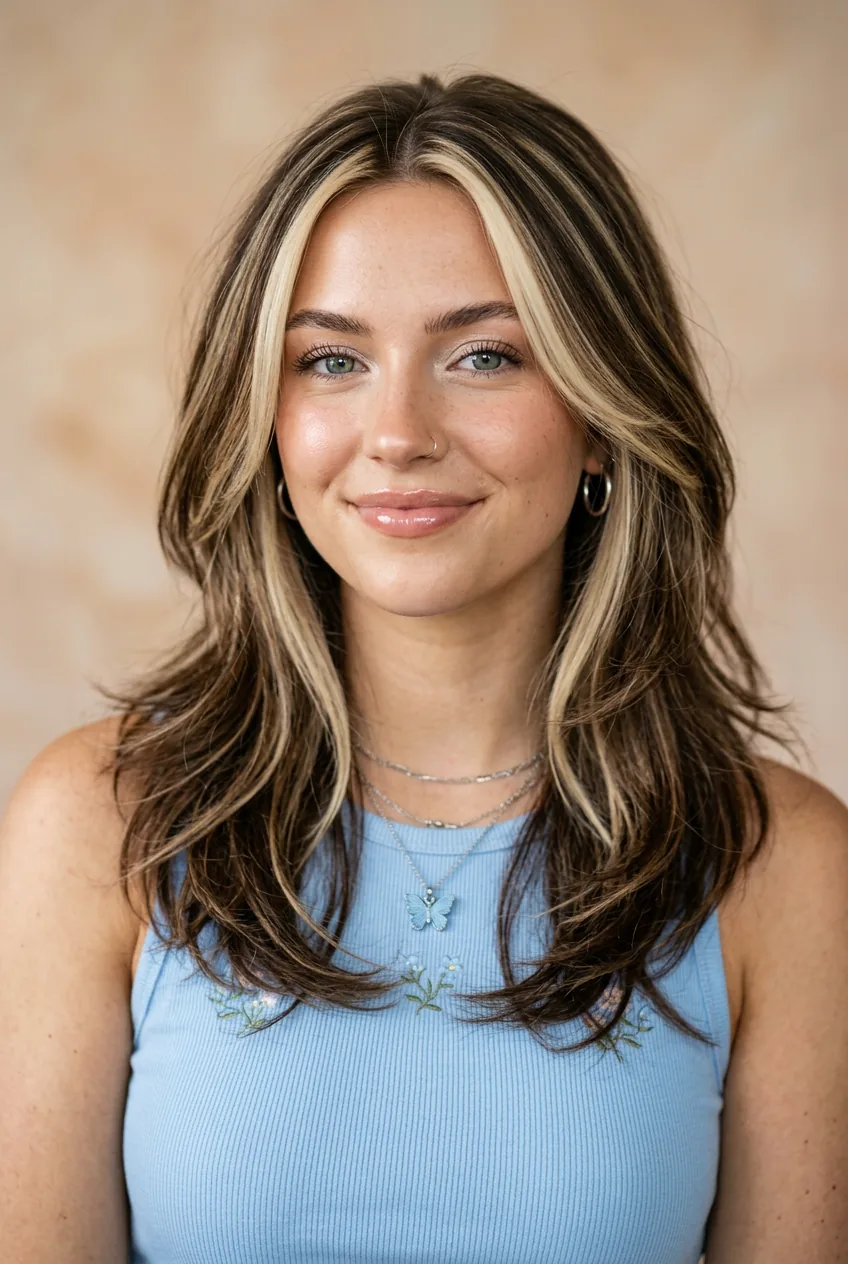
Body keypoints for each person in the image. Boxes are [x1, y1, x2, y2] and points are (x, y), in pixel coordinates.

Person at [1, 70, 845, 1264]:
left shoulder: (783, 866)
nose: (395, 433)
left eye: (485, 356)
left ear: (602, 409)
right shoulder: (95, 831)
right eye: (330, 362)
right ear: (267, 420)